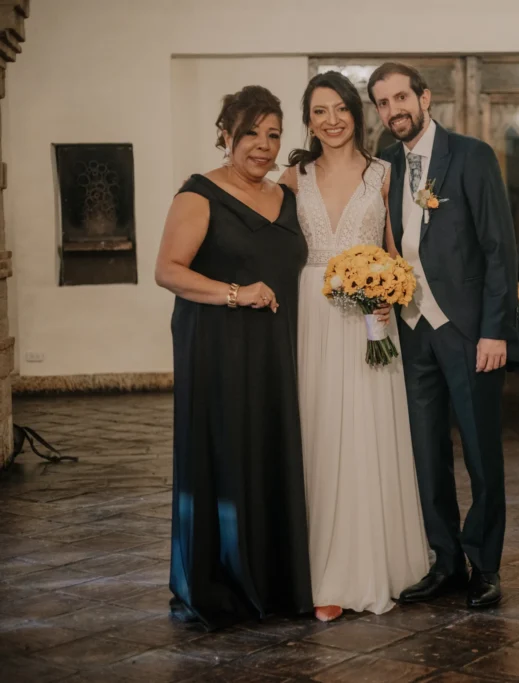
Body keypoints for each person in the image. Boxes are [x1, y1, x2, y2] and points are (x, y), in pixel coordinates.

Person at [370, 62, 519, 609]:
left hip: (468, 331)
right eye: (382, 102)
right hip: (412, 329)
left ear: (424, 98)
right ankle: (445, 561)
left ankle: (484, 565)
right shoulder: (385, 165)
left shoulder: (470, 155)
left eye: (401, 98)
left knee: (482, 455)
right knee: (425, 453)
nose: (393, 110)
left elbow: (499, 248)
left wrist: (495, 331)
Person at [155, 85, 313, 629]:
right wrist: (235, 293)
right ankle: (223, 582)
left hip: (276, 350)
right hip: (218, 347)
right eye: (251, 133)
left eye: (273, 135)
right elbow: (168, 270)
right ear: (226, 134)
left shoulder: (286, 197)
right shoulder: (199, 195)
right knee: (227, 453)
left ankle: (275, 580)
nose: (263, 146)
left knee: (270, 450)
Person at [279, 72, 429, 621]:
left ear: (355, 114)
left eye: (340, 108)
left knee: (368, 434)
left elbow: (396, 250)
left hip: (370, 318)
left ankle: (375, 565)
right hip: (311, 315)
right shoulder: (292, 177)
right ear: (308, 119)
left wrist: (392, 293)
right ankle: (324, 575)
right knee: (318, 432)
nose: (332, 120)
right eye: (320, 111)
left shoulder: (383, 173)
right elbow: (273, 247)